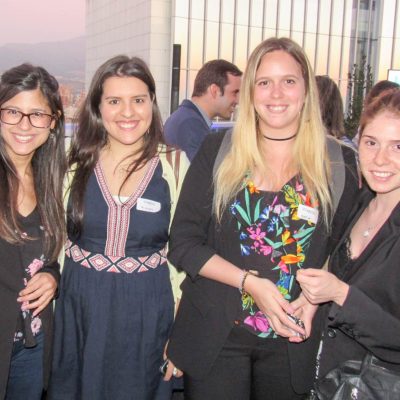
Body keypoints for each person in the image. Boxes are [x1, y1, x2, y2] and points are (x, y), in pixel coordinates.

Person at [166, 37, 359, 399]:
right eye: (264, 82)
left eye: (289, 81)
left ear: (306, 90)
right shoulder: (218, 151)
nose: (276, 94)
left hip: (293, 341)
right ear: (250, 92)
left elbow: (349, 253)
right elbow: (183, 244)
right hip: (217, 337)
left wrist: (315, 299)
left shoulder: (337, 163)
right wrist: (250, 284)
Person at [49, 56, 189, 400]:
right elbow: (54, 240)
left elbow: (186, 251)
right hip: (78, 311)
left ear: (152, 102)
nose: (128, 112)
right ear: (98, 107)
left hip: (148, 314)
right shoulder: (72, 162)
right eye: (114, 101)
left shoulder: (173, 163)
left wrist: (181, 331)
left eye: (138, 100)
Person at [297, 89, 400, 384]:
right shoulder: (359, 202)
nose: (380, 159)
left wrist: (341, 295)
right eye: (371, 143)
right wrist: (312, 302)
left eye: (397, 146)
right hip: (331, 380)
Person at [0, 64, 65, 399]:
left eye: (37, 114)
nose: (24, 125)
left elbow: (46, 256)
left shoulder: (52, 180)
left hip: (32, 344)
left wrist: (52, 276)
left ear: (53, 122)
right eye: (13, 111)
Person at [164, 59, 242, 161]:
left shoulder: (186, 118)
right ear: (215, 91)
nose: (238, 100)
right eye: (234, 92)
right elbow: (207, 170)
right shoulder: (191, 124)